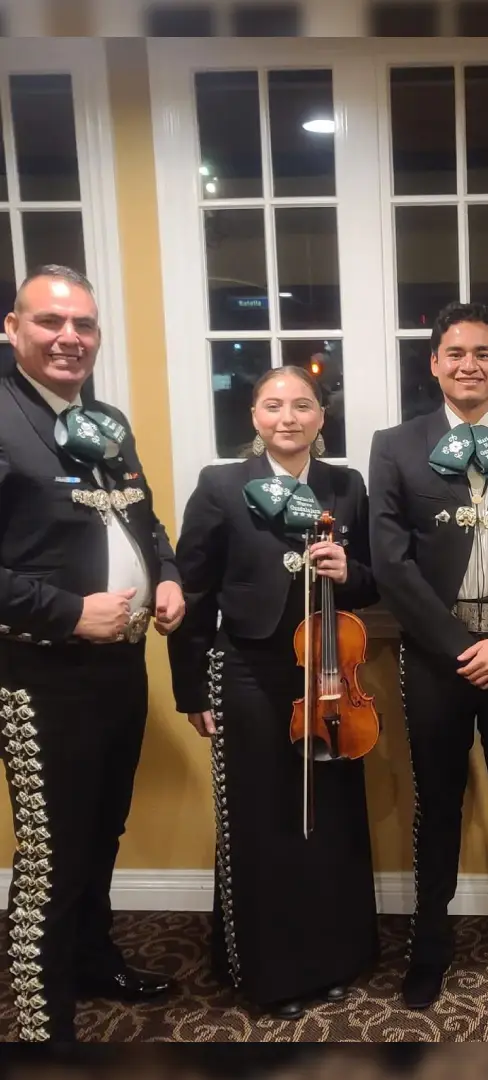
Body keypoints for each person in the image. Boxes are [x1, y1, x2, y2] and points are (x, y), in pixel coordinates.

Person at [0, 264, 185, 1042]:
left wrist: (168, 576)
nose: (69, 338)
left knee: (102, 827)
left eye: (83, 325)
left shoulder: (103, 421)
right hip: (41, 671)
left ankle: (93, 957)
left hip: (118, 666)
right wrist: (70, 610)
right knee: (53, 850)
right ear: (13, 329)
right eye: (50, 322)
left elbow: (142, 525)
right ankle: (45, 1021)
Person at [167, 365, 380, 1019]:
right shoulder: (221, 485)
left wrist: (353, 571)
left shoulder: (345, 486)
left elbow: (375, 580)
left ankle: (335, 958)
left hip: (331, 678)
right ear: (255, 418)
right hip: (252, 675)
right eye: (273, 406)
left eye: (303, 406)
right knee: (265, 823)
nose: (288, 418)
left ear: (322, 417)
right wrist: (189, 687)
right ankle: (271, 972)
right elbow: (194, 589)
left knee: (332, 819)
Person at [368, 301, 488, 1009]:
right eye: (455, 353)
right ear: (434, 363)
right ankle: (430, 942)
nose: (469, 365)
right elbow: (391, 564)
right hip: (434, 656)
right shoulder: (394, 445)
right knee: (438, 801)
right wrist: (460, 647)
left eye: (483, 353)